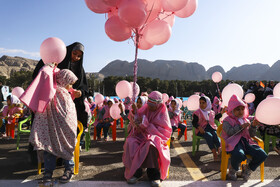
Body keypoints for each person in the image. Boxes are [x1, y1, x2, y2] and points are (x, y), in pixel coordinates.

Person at [27, 69, 78, 184]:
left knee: (54, 145)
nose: (70, 87)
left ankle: (56, 171)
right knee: (50, 145)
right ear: (63, 81)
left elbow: (68, 110)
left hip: (62, 127)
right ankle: (60, 170)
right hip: (53, 126)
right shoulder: (53, 91)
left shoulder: (61, 92)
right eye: (70, 83)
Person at [32, 42, 89, 131]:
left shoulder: (80, 70)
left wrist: (80, 92)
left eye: (79, 56)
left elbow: (84, 86)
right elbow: (39, 76)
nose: (76, 57)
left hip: (69, 107)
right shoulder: (54, 60)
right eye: (74, 53)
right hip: (50, 104)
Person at [122, 91, 172, 187]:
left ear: (158, 104)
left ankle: (154, 175)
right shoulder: (145, 109)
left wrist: (146, 123)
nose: (150, 107)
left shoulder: (162, 114)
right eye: (149, 104)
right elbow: (136, 119)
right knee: (130, 142)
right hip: (141, 136)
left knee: (151, 144)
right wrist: (134, 113)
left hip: (156, 137)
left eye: (152, 105)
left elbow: (164, 132)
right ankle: (136, 172)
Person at [221, 94, 267, 181]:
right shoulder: (227, 120)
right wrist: (241, 127)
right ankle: (233, 170)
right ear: (231, 109)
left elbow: (251, 135)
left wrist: (253, 126)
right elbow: (229, 132)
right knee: (238, 154)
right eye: (238, 109)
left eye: (242, 109)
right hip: (234, 143)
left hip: (247, 142)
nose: (241, 111)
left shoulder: (246, 119)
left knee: (262, 154)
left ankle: (247, 169)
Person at [192, 96, 222, 161]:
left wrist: (221, 113)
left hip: (211, 128)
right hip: (202, 130)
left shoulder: (211, 112)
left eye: (203, 103)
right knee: (209, 136)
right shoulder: (197, 112)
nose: (201, 105)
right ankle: (214, 153)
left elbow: (215, 118)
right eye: (200, 103)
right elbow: (194, 122)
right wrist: (199, 127)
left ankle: (220, 150)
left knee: (216, 135)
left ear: (208, 103)